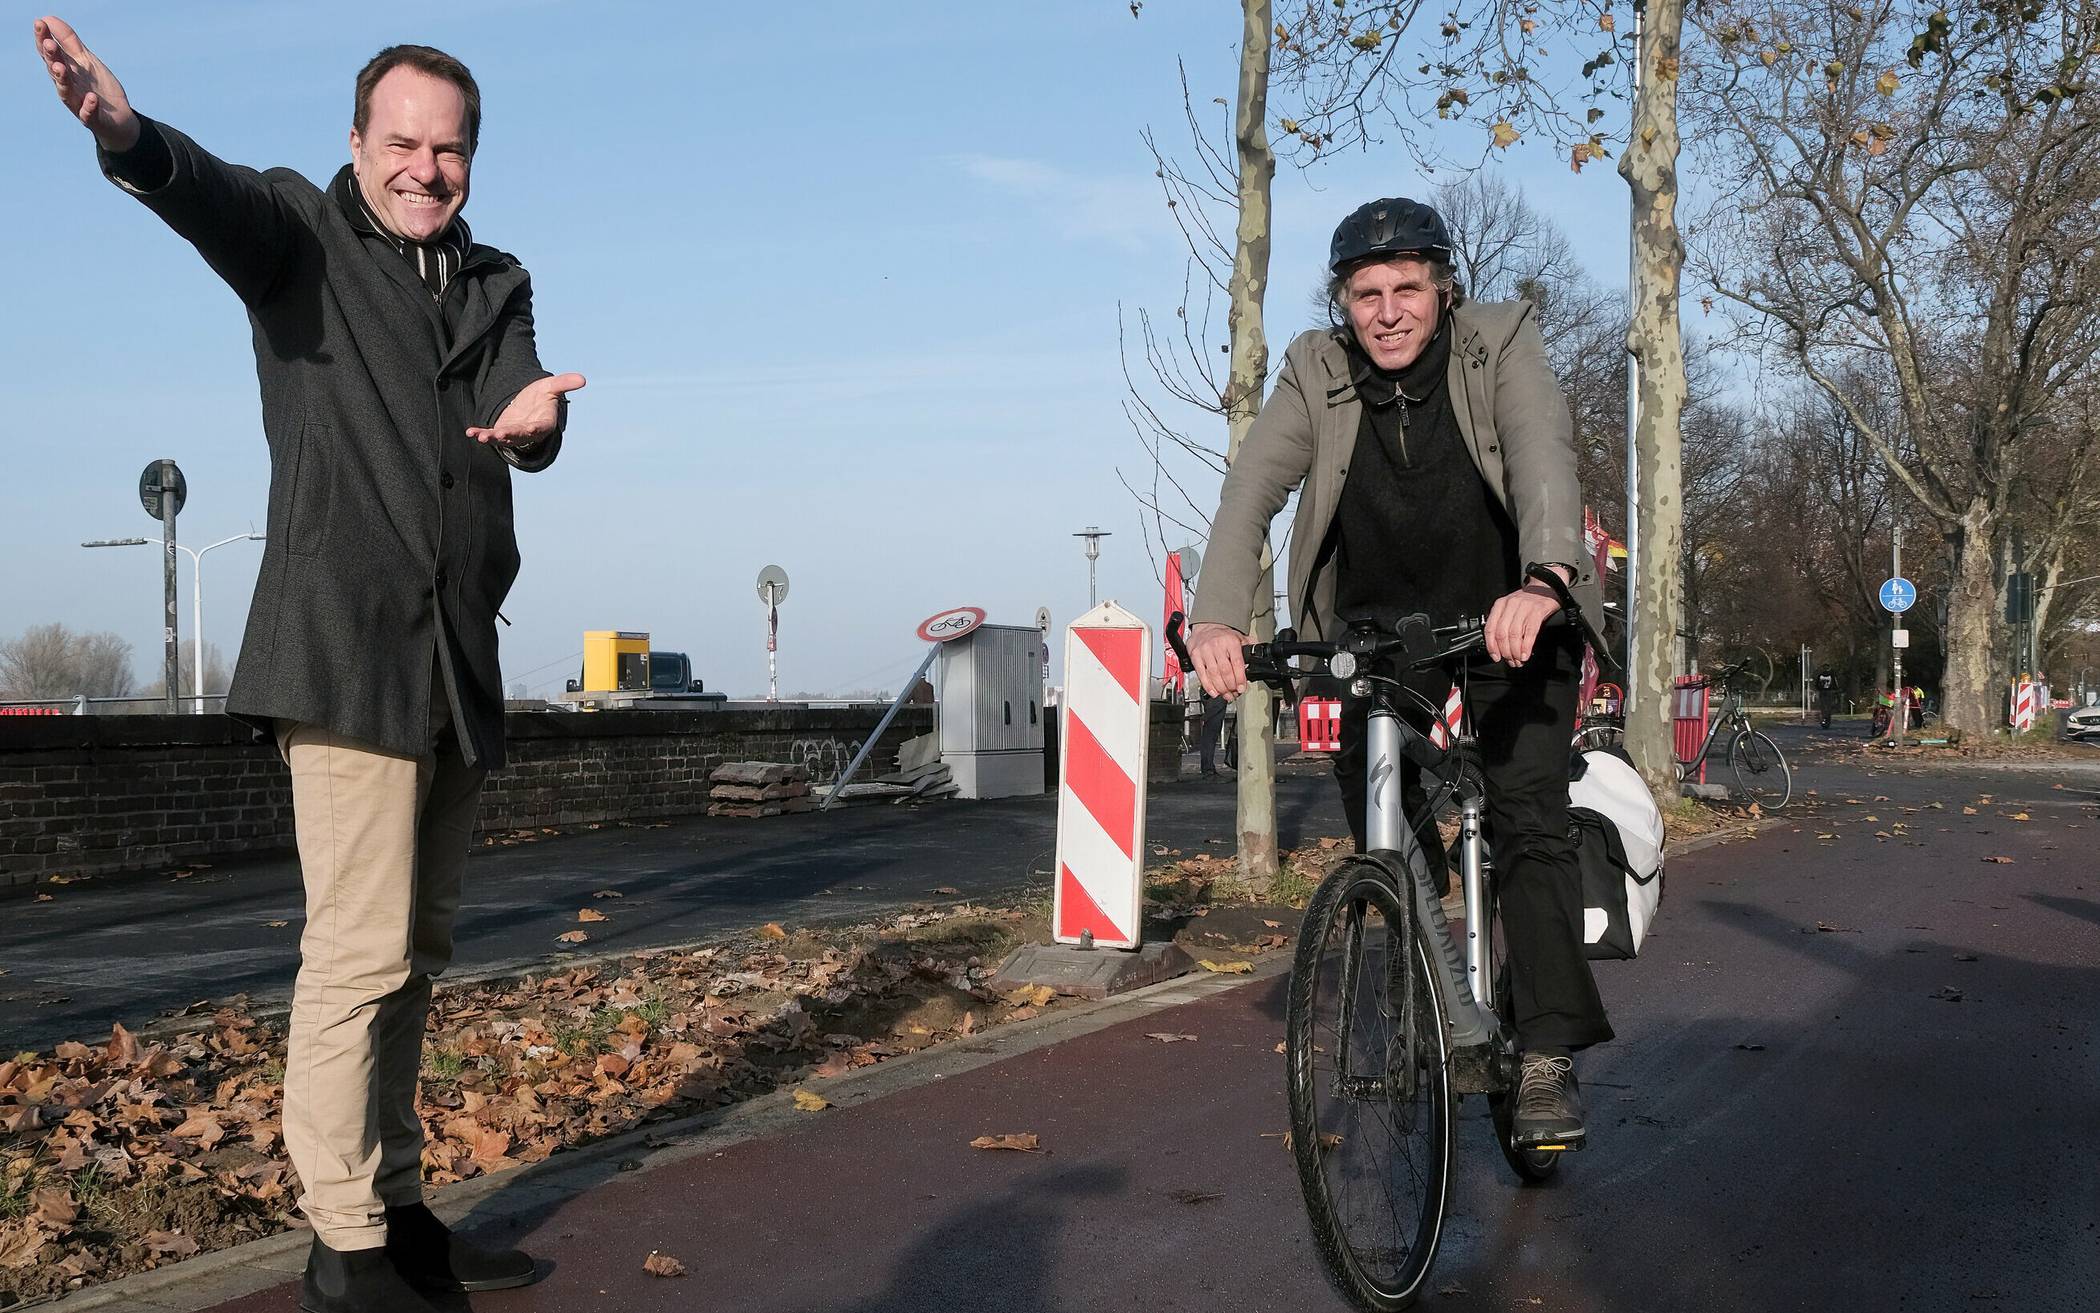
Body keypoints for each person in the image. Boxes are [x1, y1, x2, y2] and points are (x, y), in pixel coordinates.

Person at [33, 17, 582, 1312]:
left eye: (449, 148)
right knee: (354, 958)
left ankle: (394, 1206)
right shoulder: (302, 240)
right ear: (356, 143)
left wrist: (541, 424)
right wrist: (128, 135)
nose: (425, 168)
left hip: (453, 663)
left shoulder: (497, 278)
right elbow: (212, 201)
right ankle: (342, 1247)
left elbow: (519, 402)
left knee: (421, 948)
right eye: (402, 141)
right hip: (342, 656)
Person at [1188, 196, 1610, 1149]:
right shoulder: (1314, 370)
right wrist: (1214, 614)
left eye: (1407, 288)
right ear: (1344, 302)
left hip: (1510, 613)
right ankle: (1451, 1009)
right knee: (1381, 821)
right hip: (1376, 629)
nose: (1387, 311)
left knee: (1527, 812)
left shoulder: (1499, 342)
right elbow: (1252, 486)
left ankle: (1544, 1055)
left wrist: (1544, 581)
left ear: (1443, 287)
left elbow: (1545, 453)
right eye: (1365, 293)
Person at [1195, 681, 1229, 777]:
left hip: (1216, 700)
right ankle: (1208, 769)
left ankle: (1208, 768)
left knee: (1210, 739)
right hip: (1215, 701)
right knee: (1209, 739)